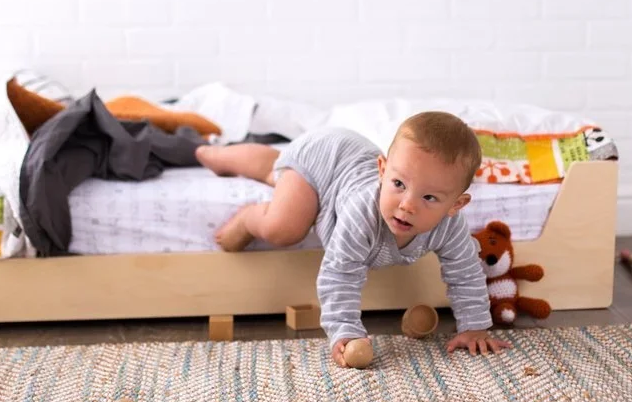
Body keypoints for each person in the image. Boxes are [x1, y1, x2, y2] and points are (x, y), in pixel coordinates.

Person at [195, 111, 512, 367]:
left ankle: (241, 159)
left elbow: (465, 272)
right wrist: (344, 330)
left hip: (345, 159)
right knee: (285, 226)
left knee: (274, 171)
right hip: (323, 159)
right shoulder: (363, 213)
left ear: (456, 205)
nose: (407, 205)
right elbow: (340, 274)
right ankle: (246, 211)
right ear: (382, 171)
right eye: (398, 183)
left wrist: (474, 326)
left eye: (429, 197)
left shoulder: (450, 226)